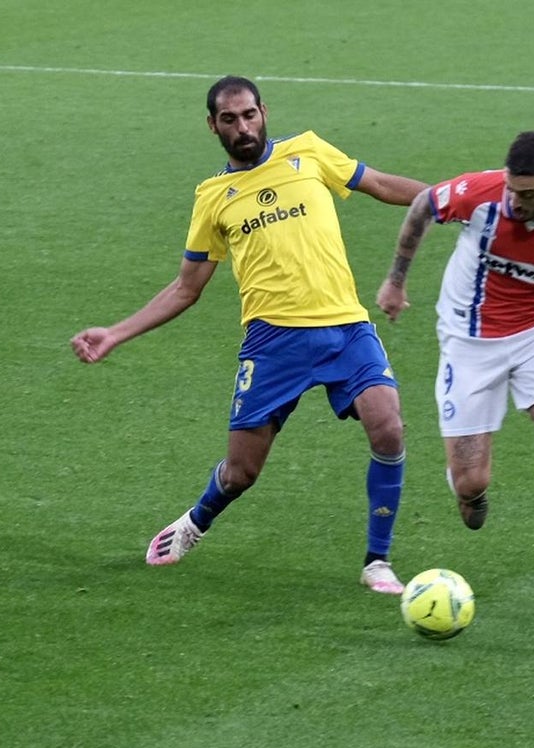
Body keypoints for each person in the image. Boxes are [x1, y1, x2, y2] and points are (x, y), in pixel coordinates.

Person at [71, 75, 428, 594]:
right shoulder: (214, 198)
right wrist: (116, 333)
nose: (243, 127)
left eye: (249, 115)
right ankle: (196, 520)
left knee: (389, 428)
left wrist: (451, 200)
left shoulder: (309, 151)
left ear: (264, 111)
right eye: (230, 120)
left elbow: (381, 185)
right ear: (213, 125)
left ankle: (378, 561)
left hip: (345, 328)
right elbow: (185, 288)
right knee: (241, 473)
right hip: (273, 343)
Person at [376, 131, 534, 629]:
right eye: (512, 189)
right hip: (468, 345)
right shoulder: (483, 195)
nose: (515, 201)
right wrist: (396, 279)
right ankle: (469, 491)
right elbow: (425, 204)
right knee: (471, 484)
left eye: (528, 194)